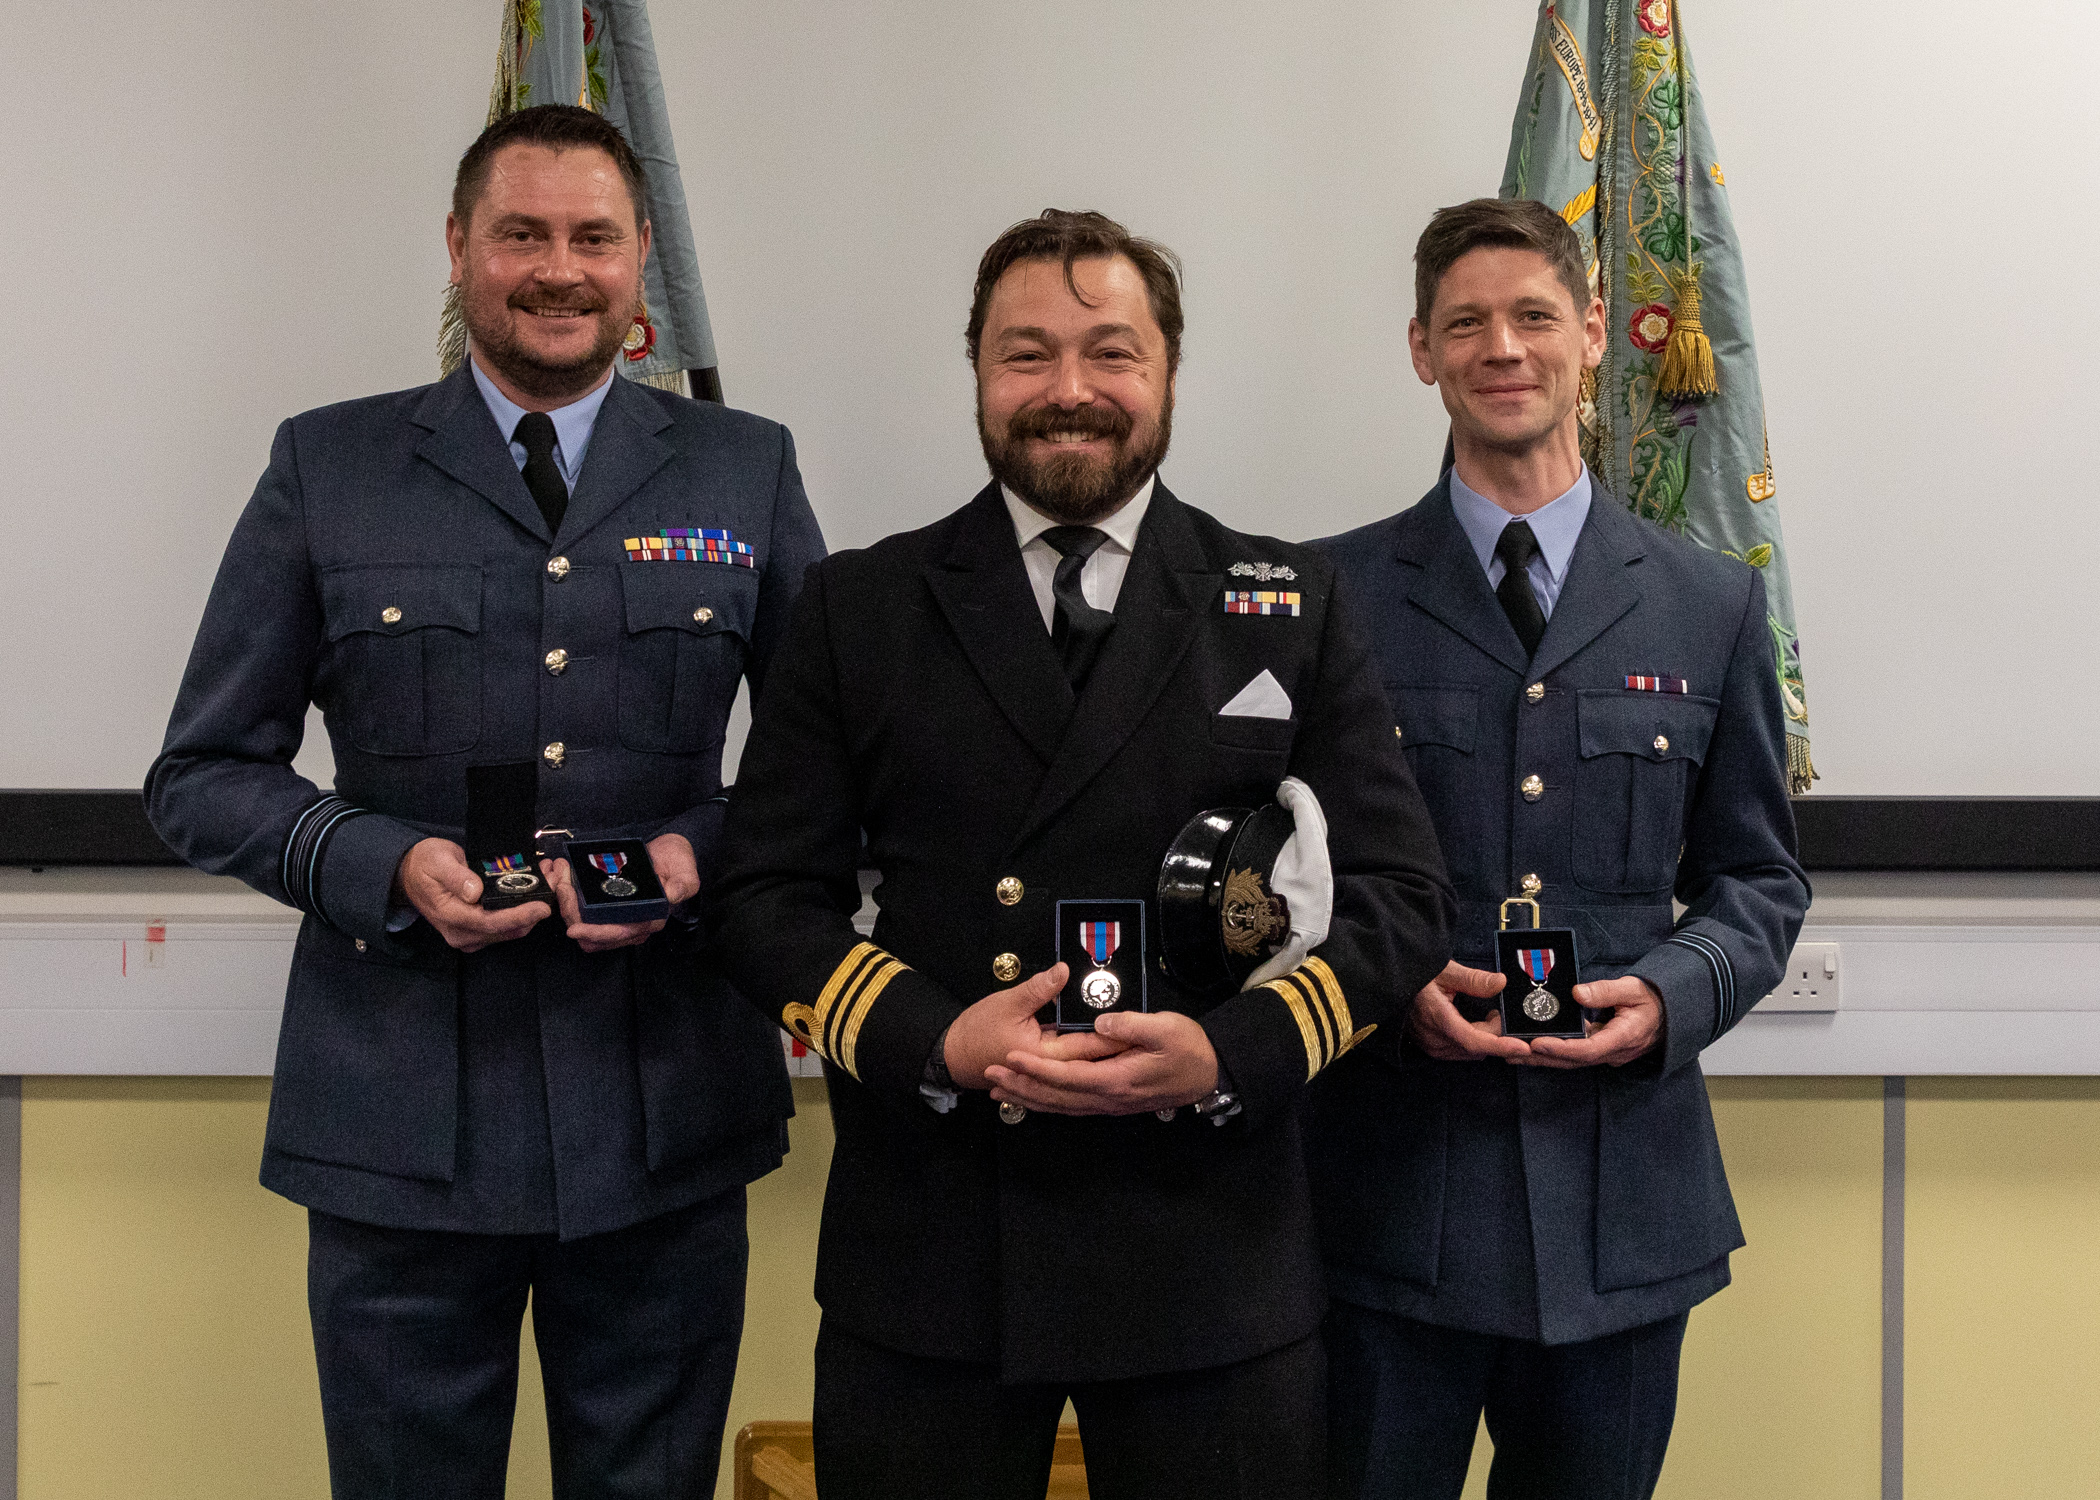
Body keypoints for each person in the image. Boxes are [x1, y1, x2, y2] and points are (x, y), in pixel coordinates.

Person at [708, 209, 1453, 1500]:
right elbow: (764, 896)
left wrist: (1233, 1053)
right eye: (1026, 353)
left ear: (1167, 371)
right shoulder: (863, 607)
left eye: (1112, 352)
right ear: (977, 371)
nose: (1069, 390)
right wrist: (936, 1039)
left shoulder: (1285, 603)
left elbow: (1402, 901)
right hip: (934, 1250)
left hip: (1211, 1253)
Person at [145, 104, 825, 1498]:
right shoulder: (328, 466)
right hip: (397, 1126)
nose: (558, 270)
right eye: (522, 234)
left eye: (593, 237)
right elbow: (201, 775)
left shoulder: (742, 466)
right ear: (458, 249)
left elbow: (833, 765)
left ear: (641, 258)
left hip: (662, 1116)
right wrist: (383, 862)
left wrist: (694, 854)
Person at [1307, 197, 1811, 1500]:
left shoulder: (1709, 603)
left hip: (1622, 1205)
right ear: (1420, 349)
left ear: (1592, 332)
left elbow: (1758, 879)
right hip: (1389, 1202)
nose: (1502, 348)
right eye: (1466, 323)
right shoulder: (1328, 599)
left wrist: (1671, 994)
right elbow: (1279, 875)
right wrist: (1379, 983)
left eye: (1534, 316)